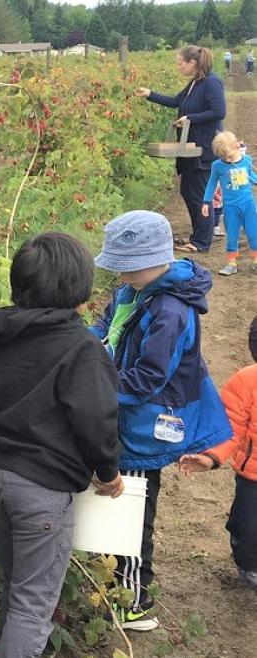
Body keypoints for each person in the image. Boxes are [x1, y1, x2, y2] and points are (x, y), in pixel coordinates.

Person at [0, 233, 123, 658]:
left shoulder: (3, 334)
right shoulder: (81, 348)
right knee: (33, 604)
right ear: (80, 289)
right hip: (40, 490)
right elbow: (95, 420)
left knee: (18, 583)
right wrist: (108, 473)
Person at [90, 210, 233, 631]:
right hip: (122, 416)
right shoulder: (131, 293)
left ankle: (133, 601)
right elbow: (101, 328)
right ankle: (108, 587)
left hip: (145, 427)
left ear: (150, 262)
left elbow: (151, 378)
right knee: (111, 505)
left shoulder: (170, 311)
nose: (119, 274)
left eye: (125, 266)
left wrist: (96, 387)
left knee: (130, 515)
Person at [179, 317, 257, 587]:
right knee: (247, 528)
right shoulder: (247, 382)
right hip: (253, 478)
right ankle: (248, 562)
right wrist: (211, 456)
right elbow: (230, 427)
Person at [135, 45, 226, 254]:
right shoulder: (195, 83)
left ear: (192, 62)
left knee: (200, 195)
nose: (177, 66)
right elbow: (175, 101)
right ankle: (197, 236)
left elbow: (219, 111)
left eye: (179, 63)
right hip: (188, 148)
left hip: (202, 148)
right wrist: (149, 94)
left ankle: (202, 242)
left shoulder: (211, 82)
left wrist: (190, 118)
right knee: (188, 191)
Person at [201, 131, 257, 275]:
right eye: (222, 156)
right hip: (230, 207)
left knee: (253, 233)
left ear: (236, 146)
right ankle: (231, 263)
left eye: (229, 155)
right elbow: (211, 184)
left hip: (248, 205)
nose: (226, 158)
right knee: (232, 235)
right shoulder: (217, 166)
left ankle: (256, 260)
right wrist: (206, 202)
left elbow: (250, 175)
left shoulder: (247, 160)